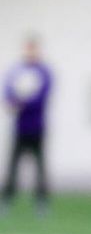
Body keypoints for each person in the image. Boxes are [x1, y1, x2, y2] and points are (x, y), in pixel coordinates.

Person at [1, 36, 52, 216]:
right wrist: (11, 101)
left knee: (40, 166)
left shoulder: (43, 72)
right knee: (13, 165)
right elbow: (7, 92)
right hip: (19, 127)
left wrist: (22, 102)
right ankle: (7, 199)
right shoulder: (17, 71)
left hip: (37, 126)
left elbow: (41, 97)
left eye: (33, 49)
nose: (30, 52)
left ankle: (41, 201)